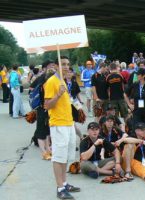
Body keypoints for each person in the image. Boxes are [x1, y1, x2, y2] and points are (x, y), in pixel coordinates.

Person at [43, 56, 80, 199]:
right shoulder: (51, 81)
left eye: (67, 64)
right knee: (58, 157)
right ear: (56, 66)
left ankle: (64, 183)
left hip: (68, 122)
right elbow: (47, 105)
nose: (66, 67)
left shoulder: (63, 80)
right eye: (63, 64)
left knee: (66, 156)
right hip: (58, 124)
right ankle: (60, 188)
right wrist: (58, 94)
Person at [30, 60, 55, 160]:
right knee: (41, 131)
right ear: (44, 68)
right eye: (50, 66)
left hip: (48, 108)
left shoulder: (51, 79)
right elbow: (31, 88)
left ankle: (48, 149)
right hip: (41, 108)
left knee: (47, 130)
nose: (52, 68)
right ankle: (44, 152)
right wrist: (38, 96)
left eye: (53, 66)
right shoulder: (42, 79)